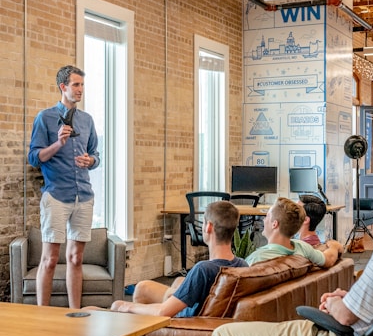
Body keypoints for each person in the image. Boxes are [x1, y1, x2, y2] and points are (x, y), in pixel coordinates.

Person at [211, 178, 373, 336]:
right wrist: (352, 299)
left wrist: (333, 303)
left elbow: (345, 316)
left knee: (223, 333)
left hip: (340, 335)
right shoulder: (305, 249)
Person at [28, 65, 100, 308]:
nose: (80, 90)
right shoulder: (45, 118)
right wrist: (58, 143)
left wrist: (90, 161)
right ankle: (43, 315)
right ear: (63, 87)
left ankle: (75, 314)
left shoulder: (87, 120)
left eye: (82, 85)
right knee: (49, 260)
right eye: (76, 85)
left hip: (84, 196)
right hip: (56, 196)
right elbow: (34, 158)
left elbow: (95, 156)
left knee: (76, 258)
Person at [110, 200, 248, 317]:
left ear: (209, 227)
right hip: (199, 312)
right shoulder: (243, 265)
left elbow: (163, 312)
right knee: (144, 287)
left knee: (114, 305)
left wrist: (124, 306)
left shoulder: (203, 269)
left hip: (182, 320)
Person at [245, 197, 343, 268]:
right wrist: (334, 246)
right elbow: (329, 259)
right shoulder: (303, 248)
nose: (263, 220)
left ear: (274, 224)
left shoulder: (256, 259)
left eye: (266, 216)